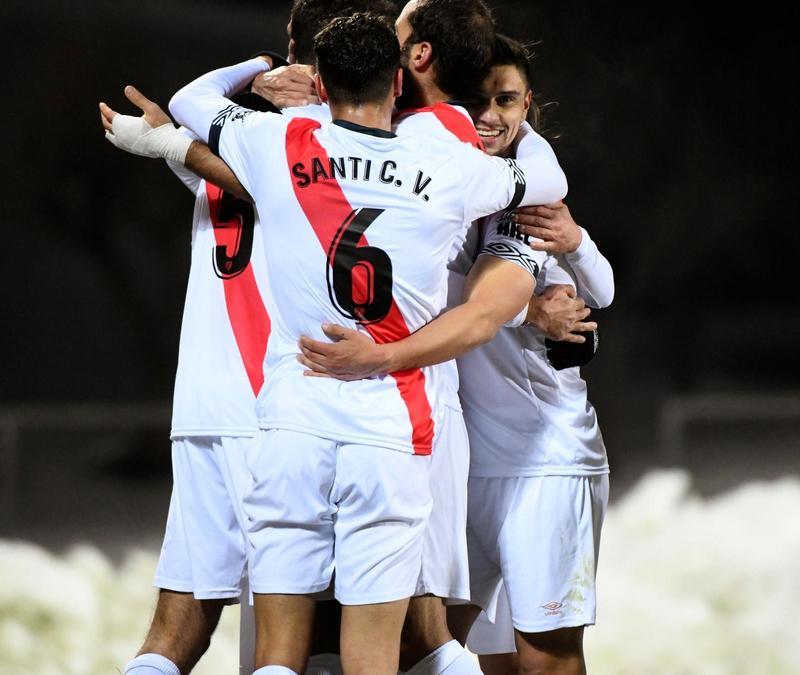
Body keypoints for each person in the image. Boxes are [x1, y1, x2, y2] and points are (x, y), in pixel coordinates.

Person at [163, 12, 566, 673]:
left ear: (319, 81)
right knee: (380, 651)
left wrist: (262, 70)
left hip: (293, 421)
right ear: (397, 78)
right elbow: (542, 178)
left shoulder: (282, 141)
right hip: (389, 430)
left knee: (275, 654)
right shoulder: (445, 169)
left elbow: (187, 103)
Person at [302, 34, 614, 675]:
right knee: (434, 650)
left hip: (542, 461)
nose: (489, 115)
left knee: (543, 658)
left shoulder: (526, 200)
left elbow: (488, 307)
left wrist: (555, 273)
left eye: (505, 100)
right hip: (461, 458)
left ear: (529, 104)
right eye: (477, 99)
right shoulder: (436, 176)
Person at [97, 3, 395, 674]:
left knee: (179, 628)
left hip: (203, 404)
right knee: (322, 639)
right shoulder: (357, 150)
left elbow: (196, 135)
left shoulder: (233, 138)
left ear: (292, 49)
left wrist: (186, 127)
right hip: (286, 410)